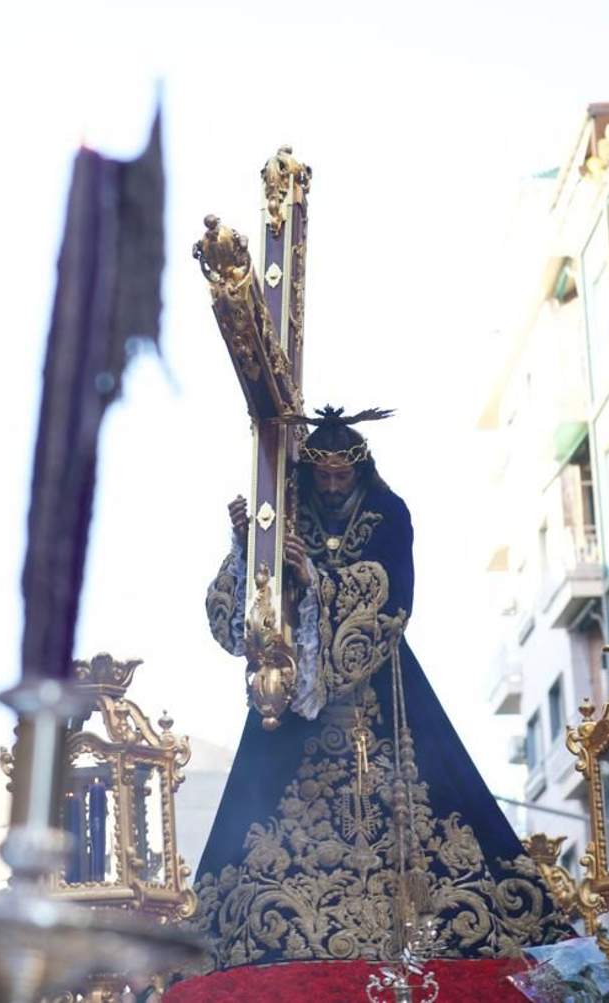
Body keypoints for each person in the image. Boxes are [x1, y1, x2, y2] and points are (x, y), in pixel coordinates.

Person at [189, 407, 571, 970]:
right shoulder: (287, 517)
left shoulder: (388, 512)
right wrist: (254, 548)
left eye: (344, 476)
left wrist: (317, 580)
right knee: (253, 831)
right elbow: (245, 619)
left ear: (361, 471)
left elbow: (392, 592)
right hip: (297, 707)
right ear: (309, 474)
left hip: (385, 691)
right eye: (325, 477)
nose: (334, 486)